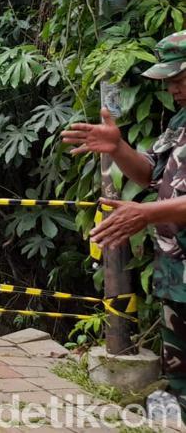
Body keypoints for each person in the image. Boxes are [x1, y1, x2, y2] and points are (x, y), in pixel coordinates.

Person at [62, 31, 186, 411]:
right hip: (175, 266)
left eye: (179, 79)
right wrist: (118, 147)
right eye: (167, 82)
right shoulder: (179, 121)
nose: (172, 88)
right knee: (178, 364)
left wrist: (146, 213)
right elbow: (150, 173)